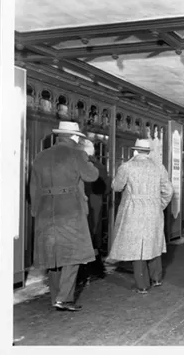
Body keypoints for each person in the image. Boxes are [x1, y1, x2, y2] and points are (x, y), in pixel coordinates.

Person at [29, 121, 100, 311]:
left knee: (52, 255)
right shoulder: (77, 154)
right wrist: (86, 157)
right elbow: (92, 176)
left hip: (45, 210)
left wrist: (36, 211)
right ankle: (64, 298)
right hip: (69, 210)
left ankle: (55, 297)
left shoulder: (40, 156)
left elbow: (33, 188)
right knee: (73, 254)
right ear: (75, 137)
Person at [108, 139, 174, 294]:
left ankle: (142, 285)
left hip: (133, 209)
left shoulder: (127, 166)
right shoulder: (159, 167)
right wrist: (159, 205)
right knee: (154, 243)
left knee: (137, 247)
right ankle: (156, 278)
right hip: (154, 210)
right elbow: (168, 191)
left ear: (134, 151)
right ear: (148, 152)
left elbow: (116, 187)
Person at [79, 138, 110, 280]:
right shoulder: (100, 166)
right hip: (96, 202)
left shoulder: (79, 164)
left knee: (83, 234)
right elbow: (107, 187)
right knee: (94, 233)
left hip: (81, 202)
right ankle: (97, 268)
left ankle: (83, 270)